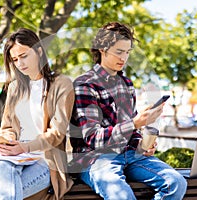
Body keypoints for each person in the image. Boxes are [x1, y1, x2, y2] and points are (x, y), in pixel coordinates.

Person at [69, 22, 187, 200]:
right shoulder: (85, 84)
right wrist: (135, 123)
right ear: (102, 49)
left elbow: (132, 131)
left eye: (127, 52)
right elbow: (93, 138)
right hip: (95, 159)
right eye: (118, 51)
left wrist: (143, 144)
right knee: (121, 196)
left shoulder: (127, 84)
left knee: (176, 183)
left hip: (130, 154)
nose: (124, 58)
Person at [0, 28, 74, 200]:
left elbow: (57, 133)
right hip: (16, 158)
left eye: (24, 56)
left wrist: (26, 147)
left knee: (9, 191)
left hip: (45, 161)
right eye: (15, 59)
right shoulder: (15, 88)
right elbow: (7, 127)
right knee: (0, 167)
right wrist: (7, 142)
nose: (20, 63)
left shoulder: (61, 84)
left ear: (38, 50)